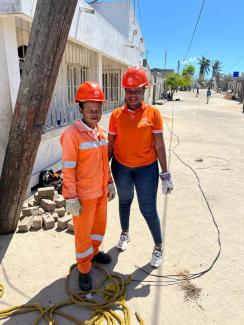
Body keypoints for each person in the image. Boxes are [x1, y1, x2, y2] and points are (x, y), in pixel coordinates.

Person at [108, 66, 173, 269]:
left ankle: (158, 245)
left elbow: (159, 145)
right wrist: (105, 174)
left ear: (144, 90)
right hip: (121, 169)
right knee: (125, 201)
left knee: (148, 209)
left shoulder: (153, 114)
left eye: (136, 90)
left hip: (146, 169)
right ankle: (125, 233)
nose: (132, 95)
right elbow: (110, 145)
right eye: (129, 90)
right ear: (124, 91)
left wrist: (165, 173)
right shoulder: (116, 115)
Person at [60, 82, 116, 291]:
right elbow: (68, 169)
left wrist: (109, 183)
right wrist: (71, 198)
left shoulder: (101, 132)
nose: (95, 113)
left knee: (98, 229)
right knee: (83, 235)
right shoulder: (72, 135)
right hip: (83, 198)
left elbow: (104, 163)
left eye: (98, 109)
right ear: (80, 109)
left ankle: (94, 253)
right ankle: (84, 269)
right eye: (90, 110)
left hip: (100, 193)